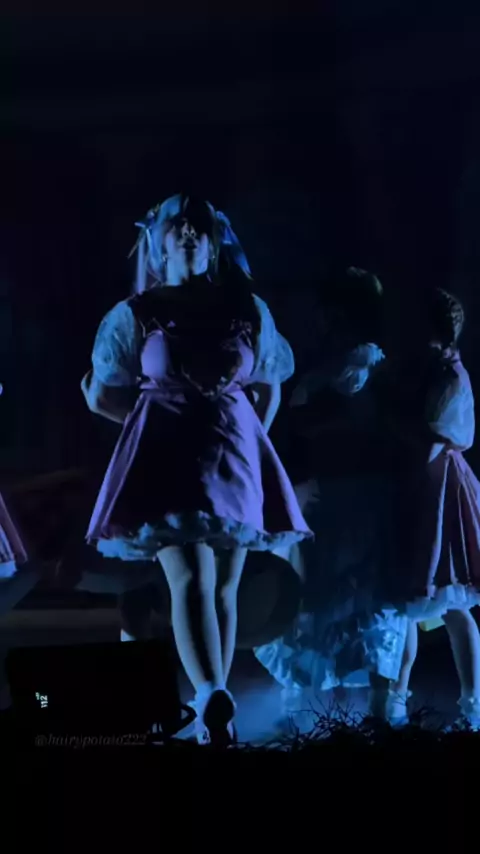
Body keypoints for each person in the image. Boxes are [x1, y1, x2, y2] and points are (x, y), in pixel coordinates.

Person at [81, 194, 312, 745]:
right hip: (166, 454)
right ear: (160, 243)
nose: (189, 235)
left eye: (199, 229)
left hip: (232, 453)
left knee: (226, 586)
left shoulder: (246, 308)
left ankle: (216, 714)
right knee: (189, 575)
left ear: (213, 244)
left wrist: (252, 436)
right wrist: (146, 421)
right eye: (179, 227)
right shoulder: (138, 313)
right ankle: (210, 694)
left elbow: (270, 385)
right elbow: (101, 392)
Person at [255, 268, 409, 726]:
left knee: (357, 595)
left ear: (340, 312)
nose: (318, 319)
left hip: (354, 494)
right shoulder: (344, 364)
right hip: (337, 493)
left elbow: (329, 421)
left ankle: (373, 707)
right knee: (327, 593)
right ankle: (308, 702)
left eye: (325, 310)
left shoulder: (359, 364)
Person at [387, 289, 480, 729]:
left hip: (439, 490)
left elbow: (429, 443)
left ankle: (472, 703)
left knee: (450, 597)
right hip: (421, 486)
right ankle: (395, 698)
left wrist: (389, 425)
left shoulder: (448, 377)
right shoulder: (428, 371)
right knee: (408, 599)